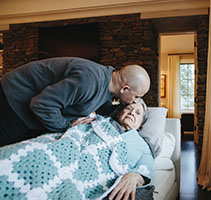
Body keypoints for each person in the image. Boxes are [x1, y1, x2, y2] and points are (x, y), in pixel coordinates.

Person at [0, 99, 154, 200]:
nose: (132, 112)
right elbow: (75, 132)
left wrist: (134, 175)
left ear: (140, 124)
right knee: (27, 153)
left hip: (91, 170)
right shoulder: (99, 120)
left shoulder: (141, 145)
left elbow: (145, 171)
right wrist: (76, 123)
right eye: (128, 109)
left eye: (137, 113)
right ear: (120, 112)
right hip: (66, 148)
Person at [0, 57, 151, 147]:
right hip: (12, 99)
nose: (134, 101)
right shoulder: (88, 82)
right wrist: (67, 127)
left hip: (25, 107)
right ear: (124, 88)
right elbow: (41, 105)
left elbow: (103, 107)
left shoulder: (108, 86)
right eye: (135, 96)